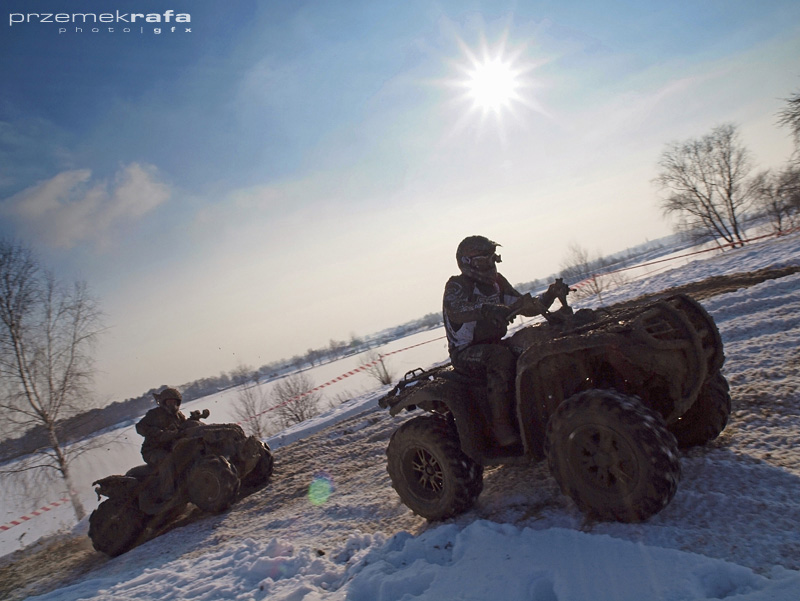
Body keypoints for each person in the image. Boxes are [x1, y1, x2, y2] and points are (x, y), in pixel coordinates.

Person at [443, 235, 567, 446]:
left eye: (493, 259)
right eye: (484, 260)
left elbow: (522, 305)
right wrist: (485, 309)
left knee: (533, 344)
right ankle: (501, 427)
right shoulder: (457, 285)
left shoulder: (498, 283)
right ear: (467, 263)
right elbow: (456, 311)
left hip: (492, 343)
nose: (490, 265)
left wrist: (549, 296)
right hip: (465, 351)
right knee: (500, 357)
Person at [135, 387, 187, 496]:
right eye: (169, 402)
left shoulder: (178, 416)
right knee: (166, 460)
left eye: (174, 401)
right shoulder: (154, 414)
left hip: (171, 447)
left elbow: (186, 427)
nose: (172, 404)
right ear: (164, 403)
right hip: (152, 451)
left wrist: (194, 420)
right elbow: (140, 427)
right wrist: (158, 433)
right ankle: (168, 493)